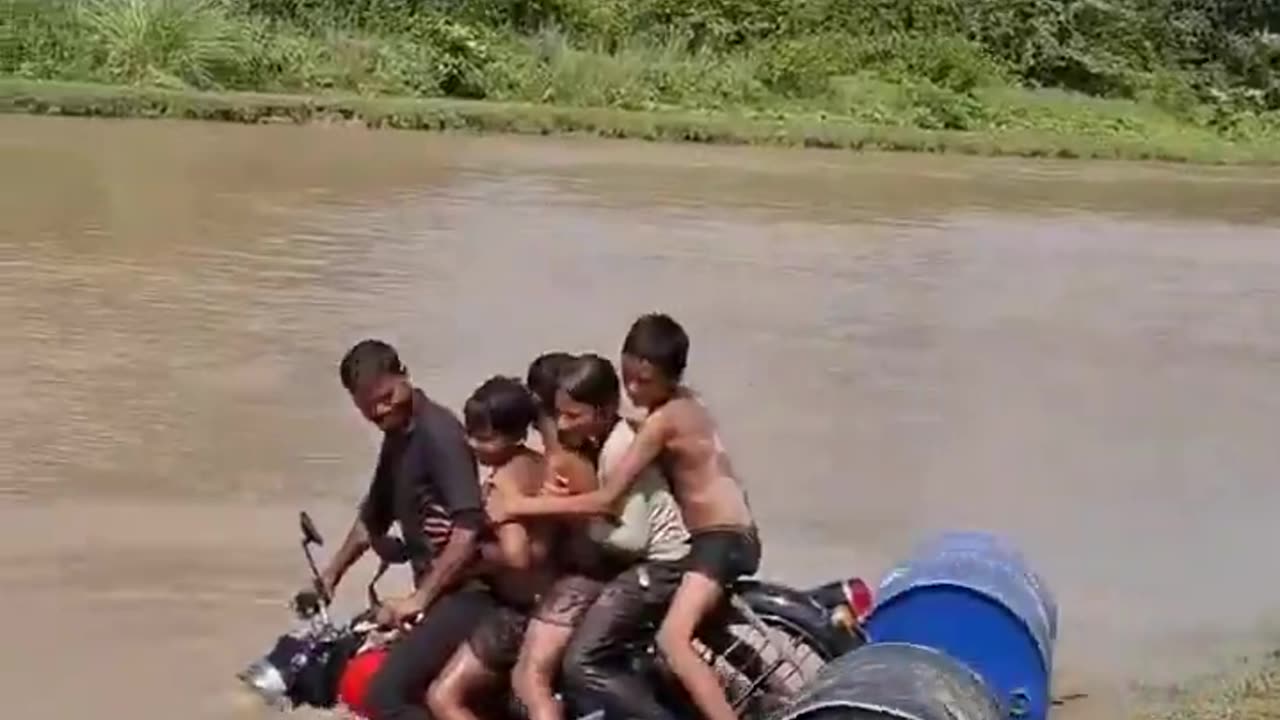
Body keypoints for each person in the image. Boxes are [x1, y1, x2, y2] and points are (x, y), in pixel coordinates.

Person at [494, 315, 758, 720]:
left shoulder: (658, 423)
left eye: (644, 382)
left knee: (673, 640)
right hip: (735, 533)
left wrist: (520, 507)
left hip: (714, 540)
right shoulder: (686, 403)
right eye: (628, 377)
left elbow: (606, 498)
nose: (633, 390)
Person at [295, 339, 492, 720]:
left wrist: (420, 598)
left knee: (386, 695)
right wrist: (330, 578)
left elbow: (468, 528)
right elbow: (374, 517)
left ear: (404, 375)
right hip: (439, 595)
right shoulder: (398, 436)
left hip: (469, 594)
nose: (381, 410)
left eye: (387, 397)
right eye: (368, 406)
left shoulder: (439, 435)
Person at [499, 353, 693, 720]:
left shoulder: (595, 454)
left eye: (568, 416)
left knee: (542, 673)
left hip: (645, 565)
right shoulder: (601, 443)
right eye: (557, 415)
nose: (558, 424)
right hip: (633, 562)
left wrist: (531, 508)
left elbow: (621, 535)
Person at [427, 375, 557, 720]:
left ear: (515, 435)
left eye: (484, 438)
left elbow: (518, 555)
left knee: (444, 698)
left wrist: (475, 557)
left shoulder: (504, 481)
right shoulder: (537, 463)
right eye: (470, 433)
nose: (472, 444)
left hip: (517, 612)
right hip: (548, 602)